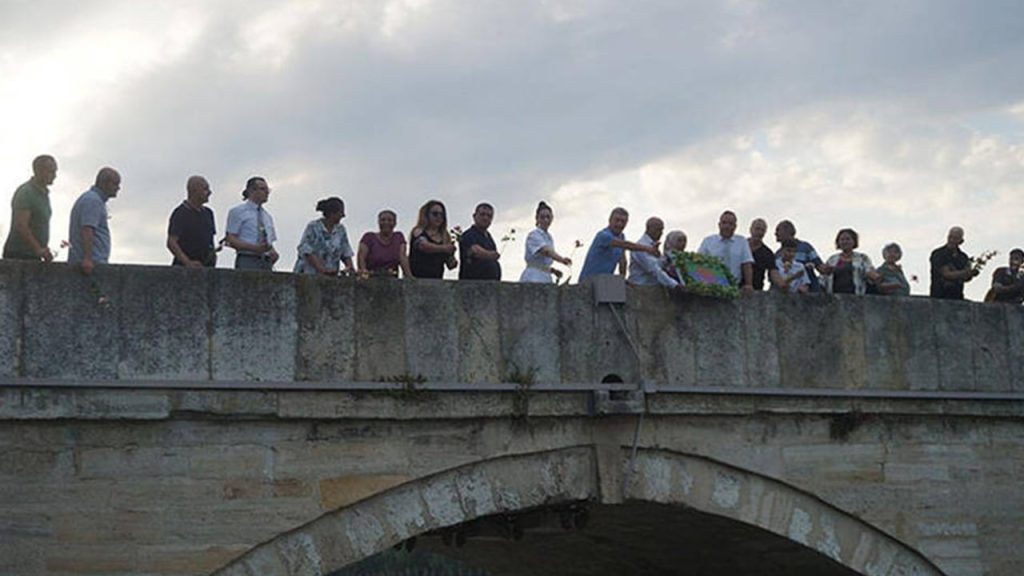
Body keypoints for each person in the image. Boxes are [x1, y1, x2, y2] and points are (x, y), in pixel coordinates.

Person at [578, 207, 659, 281]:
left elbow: (623, 261)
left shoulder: (622, 236)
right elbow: (626, 245)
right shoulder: (603, 235)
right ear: (610, 220)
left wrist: (623, 279)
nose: (619, 224)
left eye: (623, 221)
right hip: (587, 281)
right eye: (617, 220)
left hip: (604, 282)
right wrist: (648, 249)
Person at [3, 155, 57, 262]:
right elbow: (21, 225)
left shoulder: (44, 195)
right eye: (51, 171)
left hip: (34, 254)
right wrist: (38, 249)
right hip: (19, 254)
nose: (54, 175)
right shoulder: (26, 192)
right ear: (39, 170)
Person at [68, 167, 121, 275]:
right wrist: (88, 258)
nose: (118, 188)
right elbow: (87, 229)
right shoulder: (92, 201)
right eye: (115, 184)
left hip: (91, 262)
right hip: (91, 264)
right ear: (104, 183)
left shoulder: (92, 199)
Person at [225, 177, 278, 271]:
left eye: (267, 190)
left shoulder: (267, 217)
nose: (267, 192)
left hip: (265, 261)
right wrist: (254, 248)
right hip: (247, 258)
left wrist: (273, 252)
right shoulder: (238, 212)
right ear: (251, 191)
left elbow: (269, 242)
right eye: (263, 189)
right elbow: (230, 239)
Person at [293, 197, 354, 276]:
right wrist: (322, 269)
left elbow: (345, 251)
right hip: (309, 275)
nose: (343, 215)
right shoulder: (313, 227)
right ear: (332, 213)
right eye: (340, 213)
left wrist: (350, 268)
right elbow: (306, 249)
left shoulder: (341, 230)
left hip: (331, 277)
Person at [697, 210, 754, 293]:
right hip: (712, 287)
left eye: (730, 224)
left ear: (735, 226)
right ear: (719, 225)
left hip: (735, 287)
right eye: (724, 223)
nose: (727, 226)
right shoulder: (708, 241)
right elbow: (699, 263)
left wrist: (749, 284)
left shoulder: (742, 241)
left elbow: (746, 264)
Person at [166, 175, 216, 267]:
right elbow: (171, 242)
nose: (209, 192)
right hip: (184, 269)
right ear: (194, 191)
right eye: (205, 189)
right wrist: (187, 262)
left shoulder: (208, 213)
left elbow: (211, 240)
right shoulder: (180, 213)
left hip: (207, 267)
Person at [519, 201, 571, 284]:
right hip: (534, 276)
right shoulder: (534, 235)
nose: (545, 220)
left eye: (548, 217)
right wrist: (562, 260)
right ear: (537, 218)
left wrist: (553, 271)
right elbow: (546, 251)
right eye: (542, 217)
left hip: (546, 276)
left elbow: (543, 263)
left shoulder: (549, 237)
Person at [820, 228, 879, 295]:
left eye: (848, 239)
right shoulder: (832, 259)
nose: (845, 242)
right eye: (842, 239)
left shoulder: (862, 258)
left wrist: (873, 275)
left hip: (856, 295)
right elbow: (823, 278)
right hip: (835, 296)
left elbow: (870, 272)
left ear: (854, 241)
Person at [409, 200, 457, 279]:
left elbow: (450, 265)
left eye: (442, 215)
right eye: (435, 214)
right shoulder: (418, 231)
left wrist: (452, 258)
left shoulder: (445, 236)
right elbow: (424, 246)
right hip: (418, 279)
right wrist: (444, 248)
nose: (439, 217)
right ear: (426, 215)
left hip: (437, 280)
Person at [774, 220, 827, 292]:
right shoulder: (777, 254)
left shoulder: (805, 247)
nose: (775, 233)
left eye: (778, 230)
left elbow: (819, 266)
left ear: (788, 231)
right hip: (786, 293)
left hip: (807, 293)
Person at [628, 217, 680, 288]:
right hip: (640, 287)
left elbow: (660, 265)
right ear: (649, 229)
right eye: (658, 229)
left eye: (662, 230)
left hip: (653, 287)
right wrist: (675, 285)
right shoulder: (641, 246)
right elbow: (654, 269)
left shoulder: (654, 246)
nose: (661, 233)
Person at [358, 210, 412, 277]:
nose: (386, 222)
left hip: (392, 278)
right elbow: (361, 257)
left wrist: (410, 277)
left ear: (395, 223)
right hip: (371, 278)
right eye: (383, 220)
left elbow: (403, 257)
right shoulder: (369, 237)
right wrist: (363, 274)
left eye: (389, 220)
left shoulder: (398, 237)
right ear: (378, 222)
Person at [929, 226, 978, 300]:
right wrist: (966, 272)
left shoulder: (963, 257)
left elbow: (966, 278)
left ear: (961, 241)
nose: (952, 240)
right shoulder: (938, 254)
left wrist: (971, 274)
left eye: (955, 238)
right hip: (939, 296)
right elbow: (946, 274)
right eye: (950, 237)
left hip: (957, 296)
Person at [458, 203, 502, 281]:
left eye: (489, 216)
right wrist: (491, 255)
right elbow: (475, 250)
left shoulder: (489, 238)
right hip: (472, 284)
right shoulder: (468, 234)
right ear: (474, 216)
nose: (485, 218)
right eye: (482, 214)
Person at [748, 218, 775, 291]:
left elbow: (773, 273)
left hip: (756, 291)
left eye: (762, 230)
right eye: (757, 229)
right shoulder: (740, 245)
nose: (759, 232)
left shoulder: (767, 253)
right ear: (751, 229)